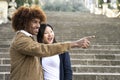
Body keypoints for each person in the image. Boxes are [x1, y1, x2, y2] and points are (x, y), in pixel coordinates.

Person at [9, 5, 95, 80]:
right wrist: (74, 44)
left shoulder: (28, 39)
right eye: (35, 22)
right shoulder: (21, 40)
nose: (38, 25)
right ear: (24, 22)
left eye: (39, 22)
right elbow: (43, 49)